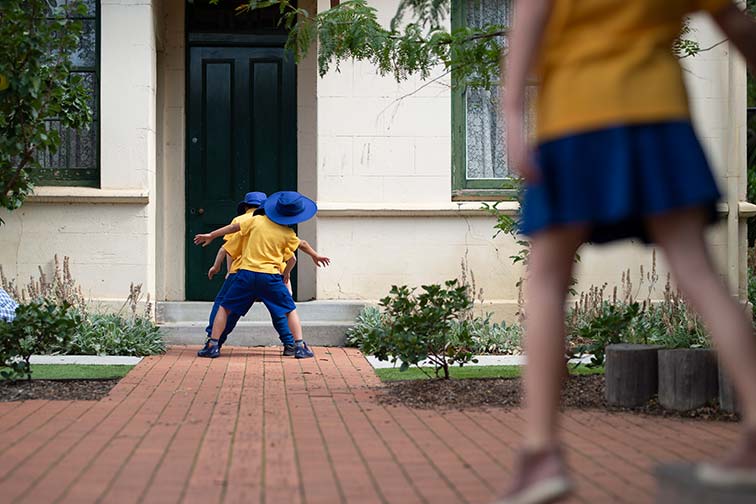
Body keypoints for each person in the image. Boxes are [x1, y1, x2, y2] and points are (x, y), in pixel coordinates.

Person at [500, 1, 756, 502]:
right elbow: (735, 23)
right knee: (699, 274)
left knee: (549, 279)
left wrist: (511, 111)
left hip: (576, 115)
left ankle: (541, 453)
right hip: (660, 114)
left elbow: (530, 19)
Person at [198, 192, 330, 357]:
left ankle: (213, 345)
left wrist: (211, 235)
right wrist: (315, 255)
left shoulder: (255, 220)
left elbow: (232, 230)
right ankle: (298, 346)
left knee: (224, 308)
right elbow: (300, 247)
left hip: (245, 274)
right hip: (270, 277)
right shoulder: (287, 233)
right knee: (288, 310)